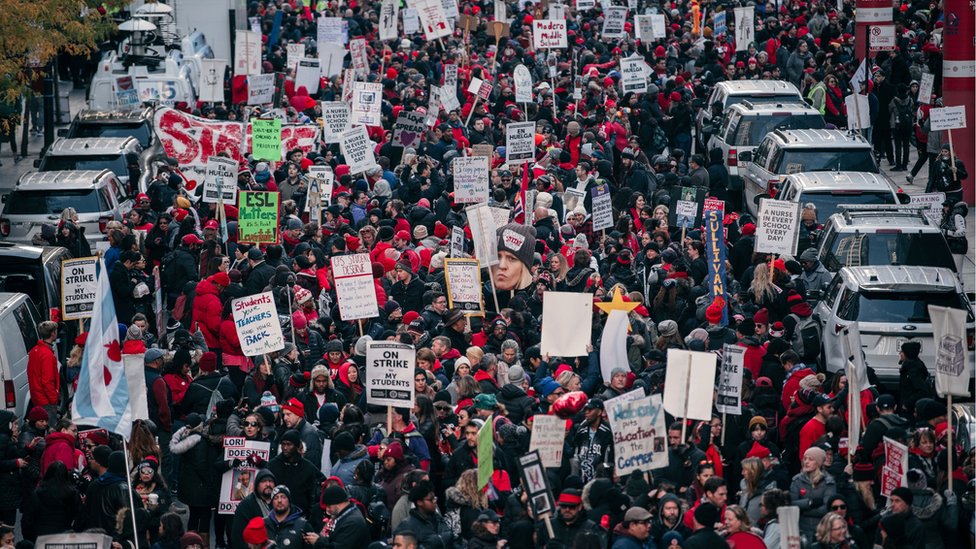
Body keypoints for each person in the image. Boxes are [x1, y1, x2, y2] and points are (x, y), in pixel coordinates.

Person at [790, 447, 836, 537]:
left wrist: (804, 511)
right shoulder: (797, 480)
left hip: (821, 530)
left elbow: (828, 507)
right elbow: (791, 503)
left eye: (810, 459)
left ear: (818, 462)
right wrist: (809, 503)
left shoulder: (828, 482)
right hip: (800, 530)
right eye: (805, 459)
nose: (806, 462)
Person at [394, 481, 455, 549]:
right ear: (419, 502)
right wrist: (437, 540)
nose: (434, 502)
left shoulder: (439, 519)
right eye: (431, 499)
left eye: (435, 498)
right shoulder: (407, 525)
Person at [231, 469, 276, 549]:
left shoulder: (279, 502)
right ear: (257, 485)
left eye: (271, 481)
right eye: (263, 481)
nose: (268, 484)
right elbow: (238, 537)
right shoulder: (246, 505)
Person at [27, 320, 60, 420]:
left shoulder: (34, 351)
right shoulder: (47, 355)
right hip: (46, 401)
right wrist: (54, 399)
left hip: (37, 398)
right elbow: (47, 381)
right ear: (53, 333)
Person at [940, 199, 969, 274]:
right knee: (951, 271)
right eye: (943, 206)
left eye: (946, 206)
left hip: (958, 246)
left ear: (951, 207)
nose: (944, 208)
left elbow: (962, 232)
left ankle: (960, 285)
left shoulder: (957, 216)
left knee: (957, 271)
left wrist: (947, 232)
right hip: (951, 245)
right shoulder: (946, 217)